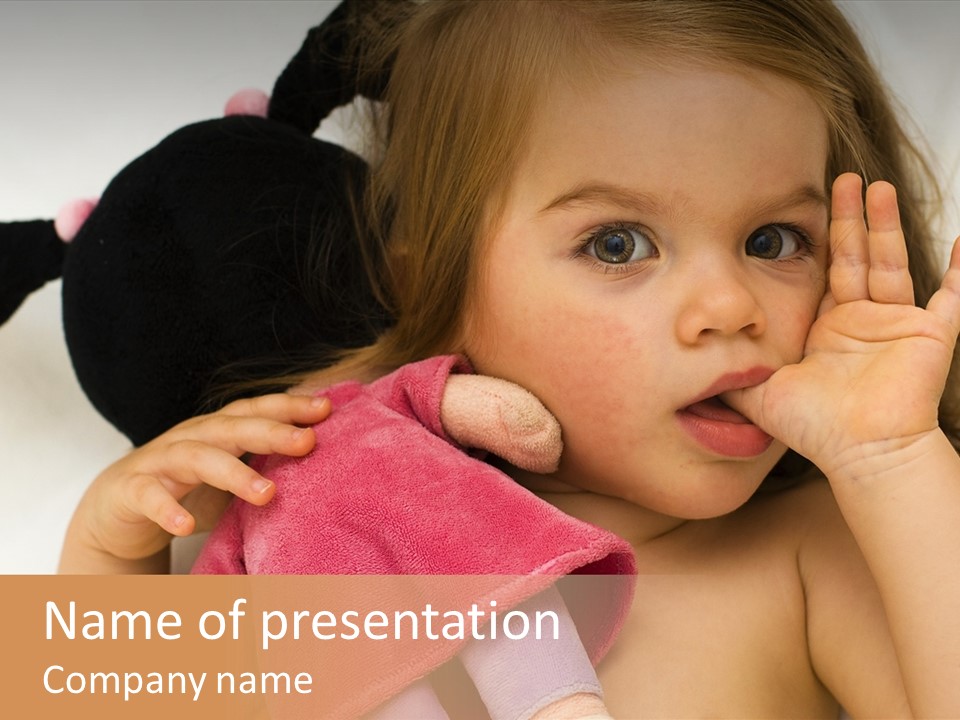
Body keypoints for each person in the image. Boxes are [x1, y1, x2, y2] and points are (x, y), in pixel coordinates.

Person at [60, 0, 960, 717]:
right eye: (617, 244)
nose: (730, 308)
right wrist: (108, 551)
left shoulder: (809, 557)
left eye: (773, 239)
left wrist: (892, 461)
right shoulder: (343, 529)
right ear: (438, 285)